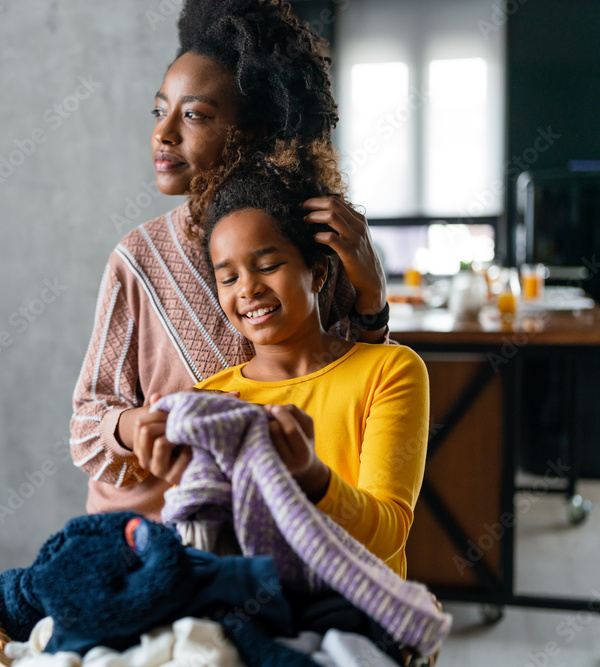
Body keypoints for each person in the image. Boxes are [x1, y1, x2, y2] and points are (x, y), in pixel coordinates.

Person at [70, 0, 390, 520]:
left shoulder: (316, 246)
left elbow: (349, 397)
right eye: (160, 110)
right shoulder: (137, 261)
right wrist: (137, 426)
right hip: (147, 538)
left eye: (194, 114)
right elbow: (86, 427)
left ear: (257, 131)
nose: (163, 132)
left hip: (269, 533)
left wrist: (372, 297)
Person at [151, 147, 430, 578]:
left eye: (267, 265)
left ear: (318, 273)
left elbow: (388, 535)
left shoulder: (389, 371)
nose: (247, 289)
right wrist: (181, 480)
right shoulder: (211, 399)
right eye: (228, 278)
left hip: (360, 614)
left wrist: (313, 477)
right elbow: (215, 554)